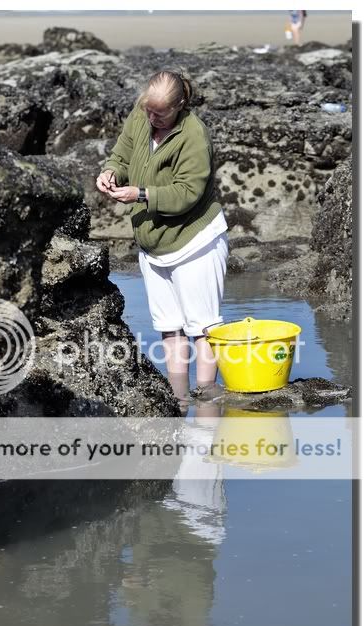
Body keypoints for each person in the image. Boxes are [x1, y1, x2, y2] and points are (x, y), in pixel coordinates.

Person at [96, 70, 228, 403]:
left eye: (160, 113)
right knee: (169, 327)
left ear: (180, 106)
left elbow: (187, 192)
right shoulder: (142, 115)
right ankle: (179, 399)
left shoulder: (195, 135)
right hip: (154, 247)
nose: (151, 118)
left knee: (203, 328)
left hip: (196, 242)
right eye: (148, 110)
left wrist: (141, 194)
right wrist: (110, 171)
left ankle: (207, 396)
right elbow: (122, 154)